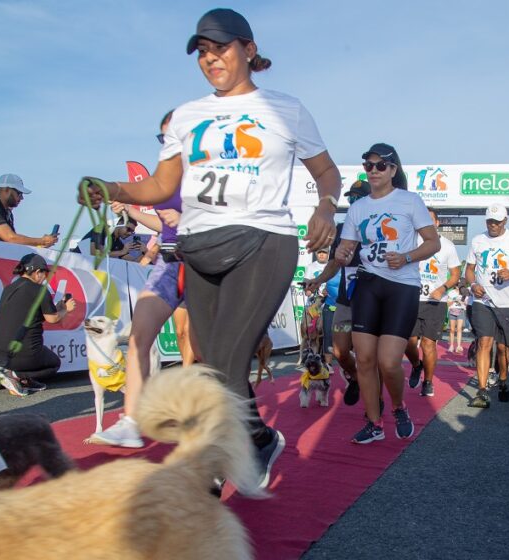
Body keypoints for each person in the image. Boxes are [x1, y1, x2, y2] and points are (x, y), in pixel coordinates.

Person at [78, 8, 340, 490]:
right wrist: (110, 187)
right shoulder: (186, 114)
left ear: (249, 49)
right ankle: (256, 438)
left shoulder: (286, 109)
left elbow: (327, 173)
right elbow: (160, 186)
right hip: (198, 248)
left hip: (264, 240)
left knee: (226, 362)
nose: (210, 58)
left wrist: (324, 208)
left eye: (219, 47)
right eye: (201, 51)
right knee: (212, 359)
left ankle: (210, 463)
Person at [87, 112, 196, 449]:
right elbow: (157, 215)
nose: (168, 143)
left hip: (201, 263)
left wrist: (189, 217)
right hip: (167, 262)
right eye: (163, 137)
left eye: (174, 136)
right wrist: (120, 200)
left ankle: (213, 413)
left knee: (201, 347)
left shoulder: (206, 173)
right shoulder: (164, 175)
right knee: (139, 335)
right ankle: (131, 420)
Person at [335, 143, 440, 443]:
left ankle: (399, 407)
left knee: (389, 362)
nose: (374, 170)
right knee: (365, 360)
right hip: (367, 283)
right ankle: (374, 423)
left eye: (381, 165)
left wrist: (407, 257)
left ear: (393, 169)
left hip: (402, 286)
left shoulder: (409, 201)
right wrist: (343, 251)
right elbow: (348, 248)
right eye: (369, 165)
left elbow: (434, 243)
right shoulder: (358, 208)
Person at [305, 180, 371, 406]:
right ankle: (354, 378)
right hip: (346, 300)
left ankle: (375, 402)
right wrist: (317, 280)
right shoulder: (343, 229)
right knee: (340, 351)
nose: (353, 201)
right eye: (351, 197)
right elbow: (334, 263)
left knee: (367, 355)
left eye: (358, 197)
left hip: (373, 300)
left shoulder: (379, 226)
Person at [464, 203, 509, 408]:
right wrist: (473, 283)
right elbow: (469, 270)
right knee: (484, 343)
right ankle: (482, 391)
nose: (493, 225)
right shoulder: (477, 240)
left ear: (505, 221)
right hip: (482, 301)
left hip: (507, 303)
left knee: (504, 348)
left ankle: (503, 380)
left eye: (497, 221)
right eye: (489, 221)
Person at [0, 254, 76, 396]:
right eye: (44, 274)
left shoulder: (8, 288)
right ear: (37, 272)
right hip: (20, 355)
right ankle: (16, 375)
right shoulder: (40, 290)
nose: (45, 278)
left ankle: (23, 381)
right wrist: (66, 309)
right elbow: (53, 319)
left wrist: (58, 308)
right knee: (54, 363)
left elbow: (25, 314)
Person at [404, 208, 461, 397]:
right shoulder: (410, 241)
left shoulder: (447, 246)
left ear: (437, 223)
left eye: (430, 220)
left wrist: (442, 289)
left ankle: (428, 382)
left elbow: (455, 275)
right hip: (411, 299)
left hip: (435, 302)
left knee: (428, 344)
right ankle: (416, 365)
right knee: (409, 343)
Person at [0, 174, 57, 248]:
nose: (22, 198)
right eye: (19, 193)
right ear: (7, 190)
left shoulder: (8, 213)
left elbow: (13, 243)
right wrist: (42, 241)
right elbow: (11, 238)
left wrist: (40, 246)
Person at [447, 286, 465, 353]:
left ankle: (458, 346)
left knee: (459, 329)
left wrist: (462, 302)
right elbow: (448, 304)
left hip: (461, 311)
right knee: (452, 329)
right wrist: (454, 299)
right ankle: (451, 345)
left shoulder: (464, 292)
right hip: (452, 310)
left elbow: (466, 303)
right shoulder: (451, 292)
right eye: (458, 285)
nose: (459, 286)